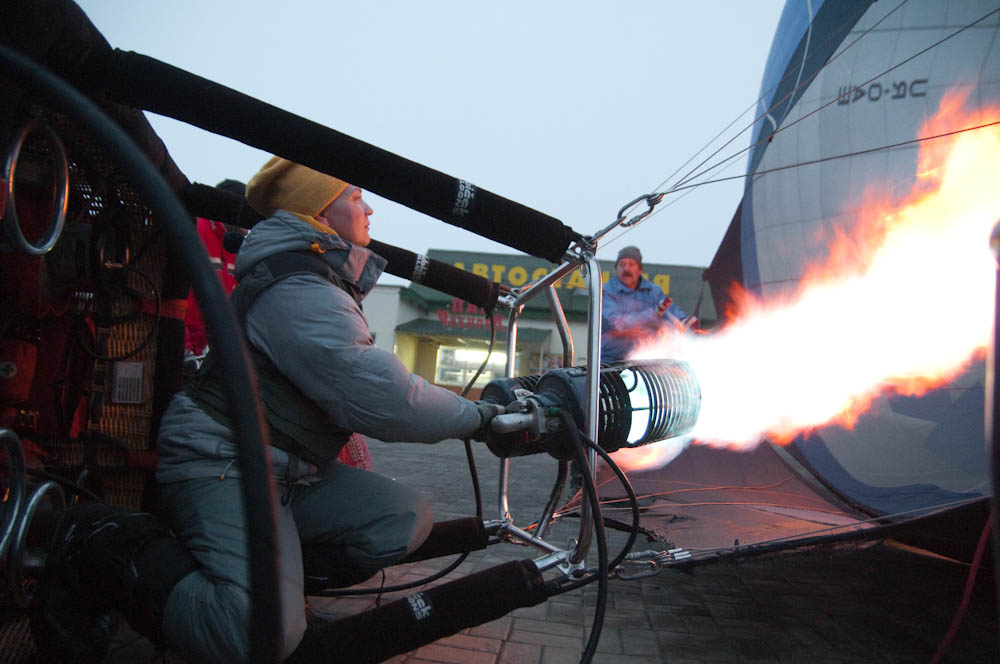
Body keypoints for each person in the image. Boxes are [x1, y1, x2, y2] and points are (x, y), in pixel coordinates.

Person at [32, 157, 505, 663]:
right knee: (256, 638)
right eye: (354, 196)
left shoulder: (322, 276)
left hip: (287, 471)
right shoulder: (299, 287)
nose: (368, 208)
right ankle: (100, 542)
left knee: (400, 518)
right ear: (320, 214)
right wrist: (481, 417)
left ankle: (275, 591)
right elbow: (378, 393)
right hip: (222, 461)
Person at [600, 245, 691, 363]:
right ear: (616, 268)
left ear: (640, 270)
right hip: (612, 359)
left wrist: (684, 320)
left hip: (645, 357)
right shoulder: (606, 292)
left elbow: (670, 311)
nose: (626, 269)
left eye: (631, 265)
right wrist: (653, 313)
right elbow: (617, 324)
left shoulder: (653, 292)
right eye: (622, 264)